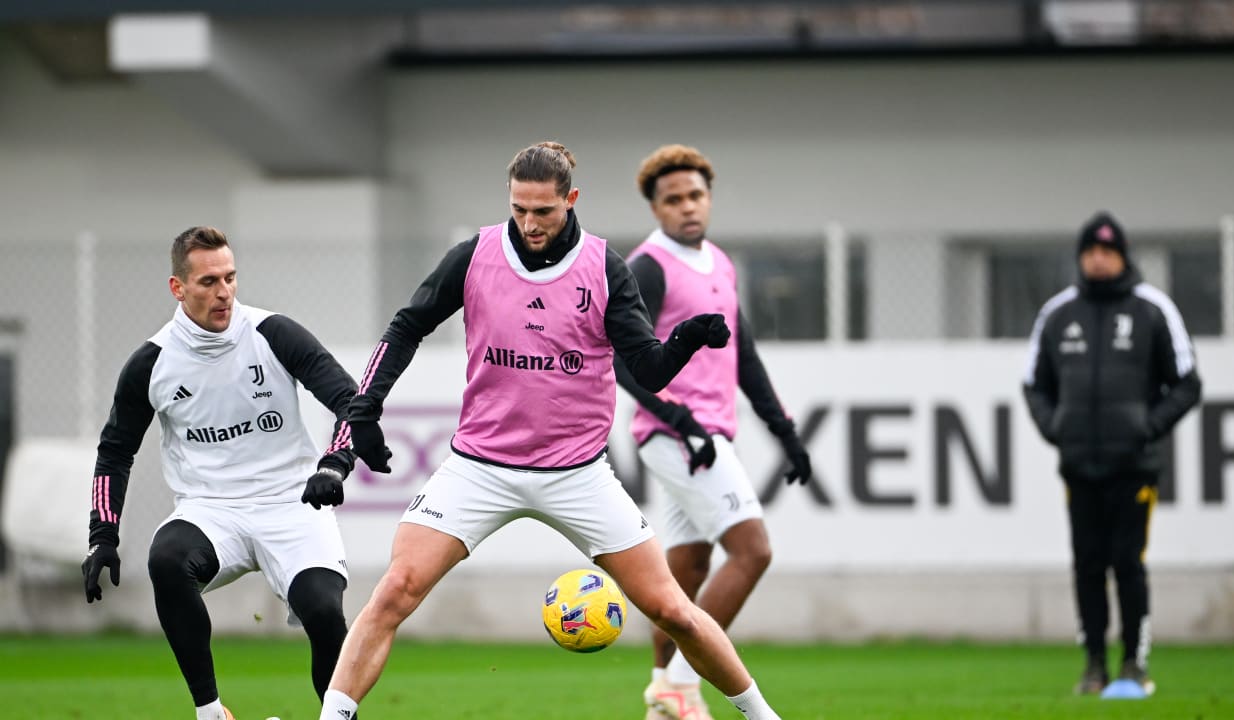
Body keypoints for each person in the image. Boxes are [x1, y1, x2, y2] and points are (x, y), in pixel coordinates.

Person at [317, 142, 786, 720]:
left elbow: (646, 368)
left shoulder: (605, 266)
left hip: (578, 475)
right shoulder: (476, 255)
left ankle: (762, 715)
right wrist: (366, 407)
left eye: (543, 211)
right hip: (479, 468)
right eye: (519, 209)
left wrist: (687, 336)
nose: (529, 224)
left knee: (673, 611)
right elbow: (406, 326)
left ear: (571, 199)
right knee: (394, 591)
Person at [81, 227, 360, 720]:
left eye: (230, 277)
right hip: (212, 511)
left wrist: (333, 465)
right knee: (167, 561)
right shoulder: (152, 363)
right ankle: (211, 712)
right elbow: (115, 452)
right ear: (178, 288)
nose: (224, 291)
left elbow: (351, 402)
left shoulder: (273, 333)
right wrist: (102, 535)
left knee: (323, 611)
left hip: (293, 504)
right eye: (209, 281)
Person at [615, 144, 811, 720]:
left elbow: (743, 354)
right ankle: (679, 685)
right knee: (752, 551)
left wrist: (785, 431)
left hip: (704, 434)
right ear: (656, 209)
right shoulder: (648, 267)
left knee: (687, 572)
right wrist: (681, 421)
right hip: (677, 435)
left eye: (695, 195)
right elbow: (627, 361)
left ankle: (661, 695)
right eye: (672, 199)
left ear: (709, 198)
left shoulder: (720, 263)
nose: (687, 207)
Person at [1023, 211, 1202, 697]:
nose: (1098, 260)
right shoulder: (1058, 314)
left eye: (1107, 251)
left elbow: (1187, 384)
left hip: (1133, 466)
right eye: (1090, 252)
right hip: (1079, 464)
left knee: (1127, 561)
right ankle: (1094, 664)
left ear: (1122, 256)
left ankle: (1134, 662)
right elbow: (1033, 384)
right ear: (1081, 257)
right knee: (1086, 565)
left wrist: (1147, 428)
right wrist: (1057, 428)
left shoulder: (1151, 309)